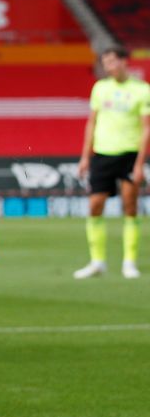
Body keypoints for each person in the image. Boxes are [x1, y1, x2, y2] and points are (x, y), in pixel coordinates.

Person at [74, 46, 149, 280]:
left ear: (124, 62)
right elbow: (91, 123)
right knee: (95, 205)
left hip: (129, 154)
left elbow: (146, 127)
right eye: (105, 63)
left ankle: (129, 262)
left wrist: (139, 163)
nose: (108, 67)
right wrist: (86, 156)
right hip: (102, 155)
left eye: (112, 61)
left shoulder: (142, 90)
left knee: (130, 206)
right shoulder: (100, 88)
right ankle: (97, 262)